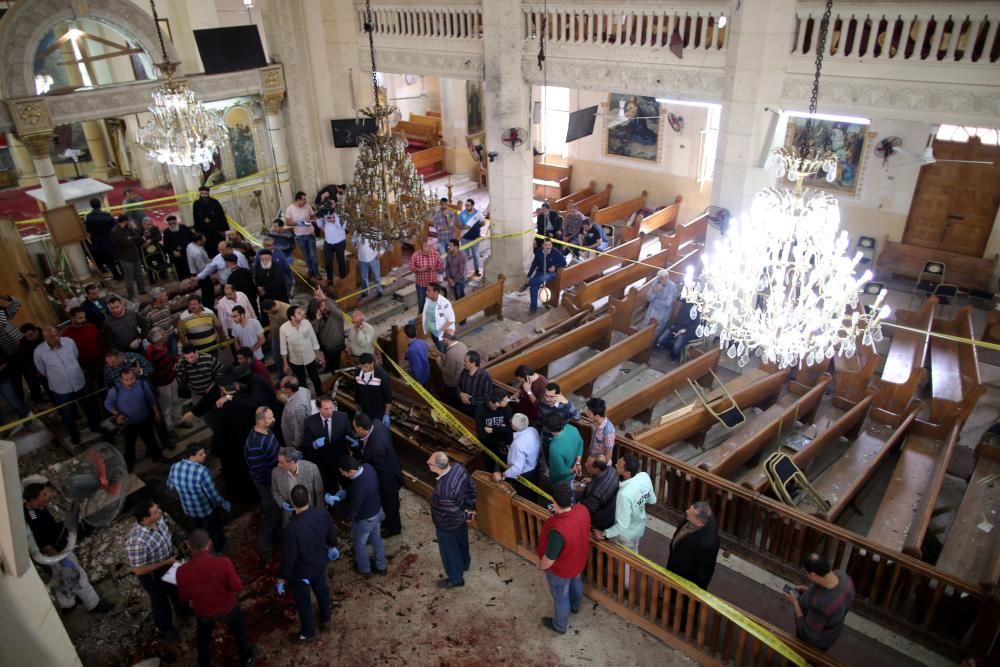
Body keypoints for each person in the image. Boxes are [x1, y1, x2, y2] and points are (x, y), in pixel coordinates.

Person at [23, 483, 114, 614]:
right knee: (77, 576)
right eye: (44, 495)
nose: (48, 495)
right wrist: (62, 559)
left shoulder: (33, 509)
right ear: (33, 499)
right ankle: (93, 604)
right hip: (57, 553)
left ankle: (67, 604)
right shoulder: (34, 519)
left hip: (55, 551)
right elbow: (44, 545)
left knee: (60, 578)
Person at [176, 529, 256, 667]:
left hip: (204, 613)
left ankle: (204, 663)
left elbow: (184, 597)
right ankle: (246, 659)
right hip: (228, 608)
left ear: (189, 546)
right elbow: (237, 587)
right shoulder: (224, 562)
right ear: (209, 544)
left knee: (204, 639)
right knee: (240, 632)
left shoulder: (181, 571)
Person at [278, 484, 339, 643]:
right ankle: (326, 619)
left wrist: (282, 577)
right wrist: (332, 546)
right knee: (322, 590)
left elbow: (289, 558)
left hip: (302, 573)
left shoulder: (292, 529)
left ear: (292, 503)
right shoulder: (322, 514)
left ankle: (308, 632)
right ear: (309, 498)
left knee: (303, 601)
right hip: (320, 563)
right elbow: (331, 534)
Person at [124, 499, 192, 641]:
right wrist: (165, 562)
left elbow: (169, 531)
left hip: (169, 562)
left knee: (177, 589)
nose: (159, 511)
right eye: (155, 512)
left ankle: (183, 611)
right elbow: (138, 571)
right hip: (152, 574)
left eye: (158, 508)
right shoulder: (136, 542)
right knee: (160, 601)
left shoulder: (160, 519)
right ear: (145, 519)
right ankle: (166, 628)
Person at [34, 327, 105, 446]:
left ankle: (95, 426)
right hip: (60, 388)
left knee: (89, 406)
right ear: (45, 338)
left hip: (78, 382)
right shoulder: (39, 351)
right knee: (67, 413)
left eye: (57, 334)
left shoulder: (68, 342)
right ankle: (74, 435)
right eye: (52, 336)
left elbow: (76, 355)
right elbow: (42, 370)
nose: (56, 338)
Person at [537, 481, 591, 635]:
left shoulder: (558, 530)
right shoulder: (582, 510)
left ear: (554, 502)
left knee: (560, 597)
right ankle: (575, 606)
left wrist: (541, 566)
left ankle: (560, 625)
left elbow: (549, 559)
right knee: (576, 583)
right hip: (579, 560)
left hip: (560, 570)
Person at [167, 444, 232, 553]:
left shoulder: (175, 466)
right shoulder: (202, 471)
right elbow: (212, 494)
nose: (205, 455)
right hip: (206, 509)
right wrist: (224, 504)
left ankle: (202, 547)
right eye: (201, 454)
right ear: (192, 457)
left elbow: (170, 486)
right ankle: (220, 547)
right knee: (215, 529)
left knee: (198, 529)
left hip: (188, 508)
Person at [784, 553, 855, 651]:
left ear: (813, 574)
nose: (806, 575)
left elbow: (806, 633)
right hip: (833, 631)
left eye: (806, 573)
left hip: (815, 643)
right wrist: (808, 591)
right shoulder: (844, 577)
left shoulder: (822, 605)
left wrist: (795, 603)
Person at [427, 451, 477, 589]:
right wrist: (469, 507)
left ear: (437, 467)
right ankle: (465, 564)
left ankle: (456, 578)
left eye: (429, 463)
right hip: (461, 516)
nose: (427, 464)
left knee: (449, 550)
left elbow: (453, 514)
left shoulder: (444, 490)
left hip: (447, 524)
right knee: (462, 541)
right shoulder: (458, 467)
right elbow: (471, 487)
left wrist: (467, 516)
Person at [353, 412, 403, 537]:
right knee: (389, 506)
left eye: (355, 429)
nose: (355, 432)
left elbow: (377, 468)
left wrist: (361, 469)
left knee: (390, 505)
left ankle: (394, 528)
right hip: (391, 466)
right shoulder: (376, 423)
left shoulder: (376, 447)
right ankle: (389, 521)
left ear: (361, 429)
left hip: (387, 480)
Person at [594, 454, 656, 553]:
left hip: (626, 534)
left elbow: (622, 525)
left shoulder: (624, 494)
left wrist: (604, 533)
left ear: (626, 473)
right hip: (639, 527)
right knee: (634, 551)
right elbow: (652, 500)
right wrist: (639, 501)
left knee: (626, 562)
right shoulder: (644, 476)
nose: (615, 465)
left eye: (618, 465)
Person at [338, 455, 387, 577]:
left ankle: (365, 569)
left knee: (360, 544)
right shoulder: (367, 467)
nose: (342, 474)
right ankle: (382, 566)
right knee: (377, 539)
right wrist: (346, 492)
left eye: (343, 472)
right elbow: (355, 485)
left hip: (365, 519)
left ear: (351, 471)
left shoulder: (360, 488)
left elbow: (353, 511)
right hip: (377, 511)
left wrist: (338, 505)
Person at [106, 367, 163, 469]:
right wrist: (117, 414)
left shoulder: (142, 384)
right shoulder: (115, 390)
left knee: (150, 438)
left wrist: (156, 412)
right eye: (126, 380)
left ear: (135, 376)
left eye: (132, 378)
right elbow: (108, 404)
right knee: (129, 444)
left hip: (144, 419)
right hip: (129, 423)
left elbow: (151, 398)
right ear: (121, 380)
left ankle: (157, 456)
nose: (130, 382)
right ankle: (129, 463)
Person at [244, 406, 282, 556]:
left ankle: (277, 535)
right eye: (270, 418)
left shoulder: (267, 431)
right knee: (272, 512)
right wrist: (274, 482)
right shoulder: (254, 444)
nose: (274, 419)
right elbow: (259, 471)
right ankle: (264, 544)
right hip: (267, 484)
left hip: (273, 477)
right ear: (260, 421)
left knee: (277, 511)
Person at [300, 394, 350, 493]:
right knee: (329, 486)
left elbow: (350, 436)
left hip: (341, 458)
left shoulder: (342, 417)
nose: (330, 411)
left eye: (331, 408)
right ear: (319, 408)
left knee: (346, 483)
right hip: (323, 461)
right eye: (326, 409)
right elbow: (305, 444)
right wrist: (314, 445)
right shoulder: (309, 422)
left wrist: (355, 444)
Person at [146, 328, 186, 449]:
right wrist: (154, 386)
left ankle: (178, 420)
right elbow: (149, 371)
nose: (165, 337)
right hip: (161, 383)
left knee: (177, 399)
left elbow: (168, 357)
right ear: (157, 340)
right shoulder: (149, 352)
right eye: (163, 336)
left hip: (171, 377)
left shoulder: (164, 346)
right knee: (166, 407)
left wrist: (176, 359)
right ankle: (169, 428)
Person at [666, 501, 720, 590]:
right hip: (675, 565)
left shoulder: (708, 543)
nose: (687, 511)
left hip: (686, 578)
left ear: (700, 521)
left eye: (690, 513)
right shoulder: (695, 517)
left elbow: (704, 572)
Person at [271, 447, 325, 523]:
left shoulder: (312, 468)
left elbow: (320, 493)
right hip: (290, 516)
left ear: (292, 462)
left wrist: (319, 514)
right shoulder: (275, 472)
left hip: (309, 512)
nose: (278, 465)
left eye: (281, 462)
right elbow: (275, 491)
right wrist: (281, 503)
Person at [280, 305, 325, 393]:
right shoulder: (283, 328)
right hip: (295, 360)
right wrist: (285, 364)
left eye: (302, 311)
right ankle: (306, 399)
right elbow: (283, 348)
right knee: (301, 381)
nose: (303, 313)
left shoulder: (306, 323)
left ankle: (320, 395)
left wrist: (319, 355)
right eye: (299, 313)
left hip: (310, 357)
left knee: (315, 377)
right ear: (292, 317)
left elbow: (314, 340)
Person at [63, 306, 106, 385]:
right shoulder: (66, 334)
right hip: (83, 368)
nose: (84, 320)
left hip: (99, 363)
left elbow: (101, 343)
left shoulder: (91, 327)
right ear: (72, 318)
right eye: (80, 318)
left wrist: (104, 358)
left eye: (84, 317)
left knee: (103, 384)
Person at [475, 387, 513, 473]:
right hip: (488, 446)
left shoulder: (506, 408)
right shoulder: (481, 410)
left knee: (505, 467)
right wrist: (501, 429)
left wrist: (493, 430)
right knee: (490, 468)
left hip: (503, 444)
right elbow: (481, 433)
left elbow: (509, 429)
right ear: (496, 403)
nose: (508, 400)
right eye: (504, 400)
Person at [526, 237, 567, 313]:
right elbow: (534, 265)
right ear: (542, 245)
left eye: (550, 245)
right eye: (546, 245)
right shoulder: (538, 252)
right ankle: (533, 307)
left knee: (534, 281)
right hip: (540, 272)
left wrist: (555, 266)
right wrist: (529, 276)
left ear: (551, 245)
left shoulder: (556, 252)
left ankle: (530, 282)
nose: (548, 247)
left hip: (551, 274)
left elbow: (564, 262)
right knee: (533, 287)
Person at [579, 455, 619, 531]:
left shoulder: (596, 493)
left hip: (600, 520)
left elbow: (588, 509)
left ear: (596, 469)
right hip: (611, 508)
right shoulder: (612, 470)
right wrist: (592, 480)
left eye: (588, 464)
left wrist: (580, 496)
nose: (585, 464)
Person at [285, 190, 320, 278]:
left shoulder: (307, 206)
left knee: (313, 255)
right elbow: (288, 222)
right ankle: (310, 271)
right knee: (306, 255)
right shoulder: (290, 209)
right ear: (298, 200)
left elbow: (312, 216)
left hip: (310, 234)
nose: (306, 201)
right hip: (300, 236)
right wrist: (298, 223)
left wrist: (311, 220)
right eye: (304, 199)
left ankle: (316, 273)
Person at [309, 286, 344, 371]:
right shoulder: (320, 314)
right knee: (331, 366)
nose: (323, 307)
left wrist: (325, 299)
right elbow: (314, 331)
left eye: (325, 305)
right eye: (321, 306)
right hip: (326, 348)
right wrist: (317, 319)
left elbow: (335, 310)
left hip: (335, 348)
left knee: (337, 369)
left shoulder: (336, 315)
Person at [110, 215, 145, 299]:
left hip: (135, 254)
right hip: (125, 258)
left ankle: (142, 289)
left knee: (139, 274)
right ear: (125, 221)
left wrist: (131, 238)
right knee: (129, 278)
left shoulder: (128, 228)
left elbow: (138, 236)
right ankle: (131, 295)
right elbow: (126, 243)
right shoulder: (115, 231)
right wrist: (132, 239)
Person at [85, 198, 121, 279]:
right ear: (100, 204)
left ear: (91, 206)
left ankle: (116, 276)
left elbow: (88, 230)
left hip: (99, 241)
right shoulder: (106, 215)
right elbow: (114, 225)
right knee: (117, 257)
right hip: (110, 239)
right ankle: (123, 273)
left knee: (108, 260)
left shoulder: (89, 217)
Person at [545, 412, 584, 487]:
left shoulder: (554, 448)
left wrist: (573, 470)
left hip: (561, 480)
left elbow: (561, 471)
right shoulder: (572, 428)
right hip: (573, 473)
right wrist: (578, 463)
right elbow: (581, 444)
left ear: (548, 429)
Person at [354, 352, 392, 424]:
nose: (363, 369)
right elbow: (357, 393)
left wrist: (386, 414)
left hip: (378, 411)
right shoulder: (357, 374)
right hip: (364, 409)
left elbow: (388, 397)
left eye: (366, 366)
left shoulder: (382, 375)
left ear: (372, 364)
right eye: (361, 367)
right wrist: (357, 410)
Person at [410, 237, 444, 315]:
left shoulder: (436, 254)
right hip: (421, 284)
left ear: (430, 246)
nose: (426, 248)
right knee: (421, 301)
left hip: (432, 284)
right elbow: (411, 268)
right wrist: (418, 269)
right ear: (421, 247)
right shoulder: (415, 255)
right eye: (424, 246)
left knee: (434, 300)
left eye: (428, 246)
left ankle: (433, 314)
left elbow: (441, 266)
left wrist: (434, 268)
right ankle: (421, 316)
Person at [642, 270, 678, 343]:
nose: (660, 280)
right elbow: (649, 298)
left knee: (655, 331)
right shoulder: (655, 282)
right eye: (659, 278)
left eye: (662, 278)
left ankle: (649, 345)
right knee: (645, 327)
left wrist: (654, 301)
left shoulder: (672, 286)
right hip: (651, 310)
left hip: (662, 313)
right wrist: (655, 290)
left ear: (667, 277)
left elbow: (667, 303)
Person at [192, 186, 230, 256]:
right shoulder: (196, 204)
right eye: (202, 194)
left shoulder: (215, 202)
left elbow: (221, 216)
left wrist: (223, 230)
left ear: (208, 193)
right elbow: (196, 218)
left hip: (216, 230)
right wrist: (198, 233)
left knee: (220, 247)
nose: (204, 196)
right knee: (210, 251)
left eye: (205, 194)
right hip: (205, 232)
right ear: (200, 194)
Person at [280, 376, 313, 450]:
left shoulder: (298, 408)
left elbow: (299, 428)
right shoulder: (303, 389)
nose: (280, 389)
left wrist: (295, 445)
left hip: (292, 439)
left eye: (282, 387)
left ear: (289, 390)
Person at [318, 202, 348, 281]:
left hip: (340, 241)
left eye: (332, 204)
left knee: (341, 261)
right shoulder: (325, 212)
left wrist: (334, 220)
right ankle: (330, 280)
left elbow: (343, 226)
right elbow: (320, 226)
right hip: (328, 242)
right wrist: (319, 217)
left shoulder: (341, 213)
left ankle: (343, 280)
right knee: (328, 262)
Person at [142, 287, 178, 353]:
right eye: (165, 296)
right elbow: (147, 329)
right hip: (160, 341)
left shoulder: (167, 305)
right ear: (158, 298)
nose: (167, 297)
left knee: (174, 356)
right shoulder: (147, 311)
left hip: (172, 336)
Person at [423, 282, 455, 351]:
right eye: (427, 290)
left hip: (442, 335)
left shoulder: (445, 303)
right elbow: (426, 313)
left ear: (436, 292)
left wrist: (440, 331)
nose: (426, 292)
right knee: (439, 348)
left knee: (444, 351)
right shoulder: (428, 300)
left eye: (429, 290)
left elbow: (451, 320)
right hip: (433, 333)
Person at [457, 350, 492, 416]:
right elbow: (458, 385)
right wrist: (461, 394)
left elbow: (486, 396)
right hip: (463, 405)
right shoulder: (464, 371)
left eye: (466, 361)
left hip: (476, 410)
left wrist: (469, 400)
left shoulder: (484, 377)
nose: (463, 363)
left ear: (473, 364)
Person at [458, 198, 485, 278]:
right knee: (464, 256)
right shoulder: (462, 214)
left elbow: (483, 223)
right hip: (465, 238)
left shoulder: (478, 214)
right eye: (465, 205)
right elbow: (458, 223)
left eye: (468, 205)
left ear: (472, 205)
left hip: (475, 239)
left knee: (475, 255)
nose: (466, 207)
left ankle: (477, 270)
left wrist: (477, 227)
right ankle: (464, 273)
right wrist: (462, 226)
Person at [583, 397, 616, 464]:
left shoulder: (608, 431)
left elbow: (608, 455)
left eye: (589, 413)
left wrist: (600, 468)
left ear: (597, 416)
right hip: (592, 456)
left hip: (600, 463)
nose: (586, 413)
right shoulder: (595, 422)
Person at [187, 233, 215, 307]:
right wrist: (212, 264)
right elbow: (202, 267)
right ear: (199, 241)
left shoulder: (190, 245)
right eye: (204, 238)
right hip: (201, 274)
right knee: (208, 292)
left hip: (196, 271)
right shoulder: (197, 253)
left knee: (206, 292)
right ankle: (209, 307)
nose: (205, 239)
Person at [441, 332, 467, 407]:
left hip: (453, 383)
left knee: (453, 400)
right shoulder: (462, 344)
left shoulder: (451, 353)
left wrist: (439, 363)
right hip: (463, 378)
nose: (442, 339)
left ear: (446, 339)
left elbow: (449, 373)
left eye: (443, 338)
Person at [163, 215, 193, 280]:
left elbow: (192, 238)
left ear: (176, 222)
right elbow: (166, 246)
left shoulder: (184, 228)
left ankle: (191, 276)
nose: (172, 225)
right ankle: (182, 279)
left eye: (174, 223)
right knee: (177, 261)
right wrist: (173, 251)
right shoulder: (166, 232)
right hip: (175, 254)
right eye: (170, 224)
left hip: (187, 251)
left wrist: (189, 248)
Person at [353, 233, 384, 298]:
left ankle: (380, 291)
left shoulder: (375, 231)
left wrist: (380, 253)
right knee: (364, 278)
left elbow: (383, 243)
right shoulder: (357, 232)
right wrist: (356, 246)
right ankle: (365, 292)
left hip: (373, 258)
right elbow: (353, 242)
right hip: (362, 259)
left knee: (376, 276)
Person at [263, 298, 292, 367]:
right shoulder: (271, 309)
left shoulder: (287, 310)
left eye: (268, 312)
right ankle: (281, 375)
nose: (268, 314)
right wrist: (270, 333)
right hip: (275, 337)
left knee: (290, 358)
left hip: (287, 339)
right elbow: (271, 321)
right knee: (277, 358)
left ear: (272, 308)